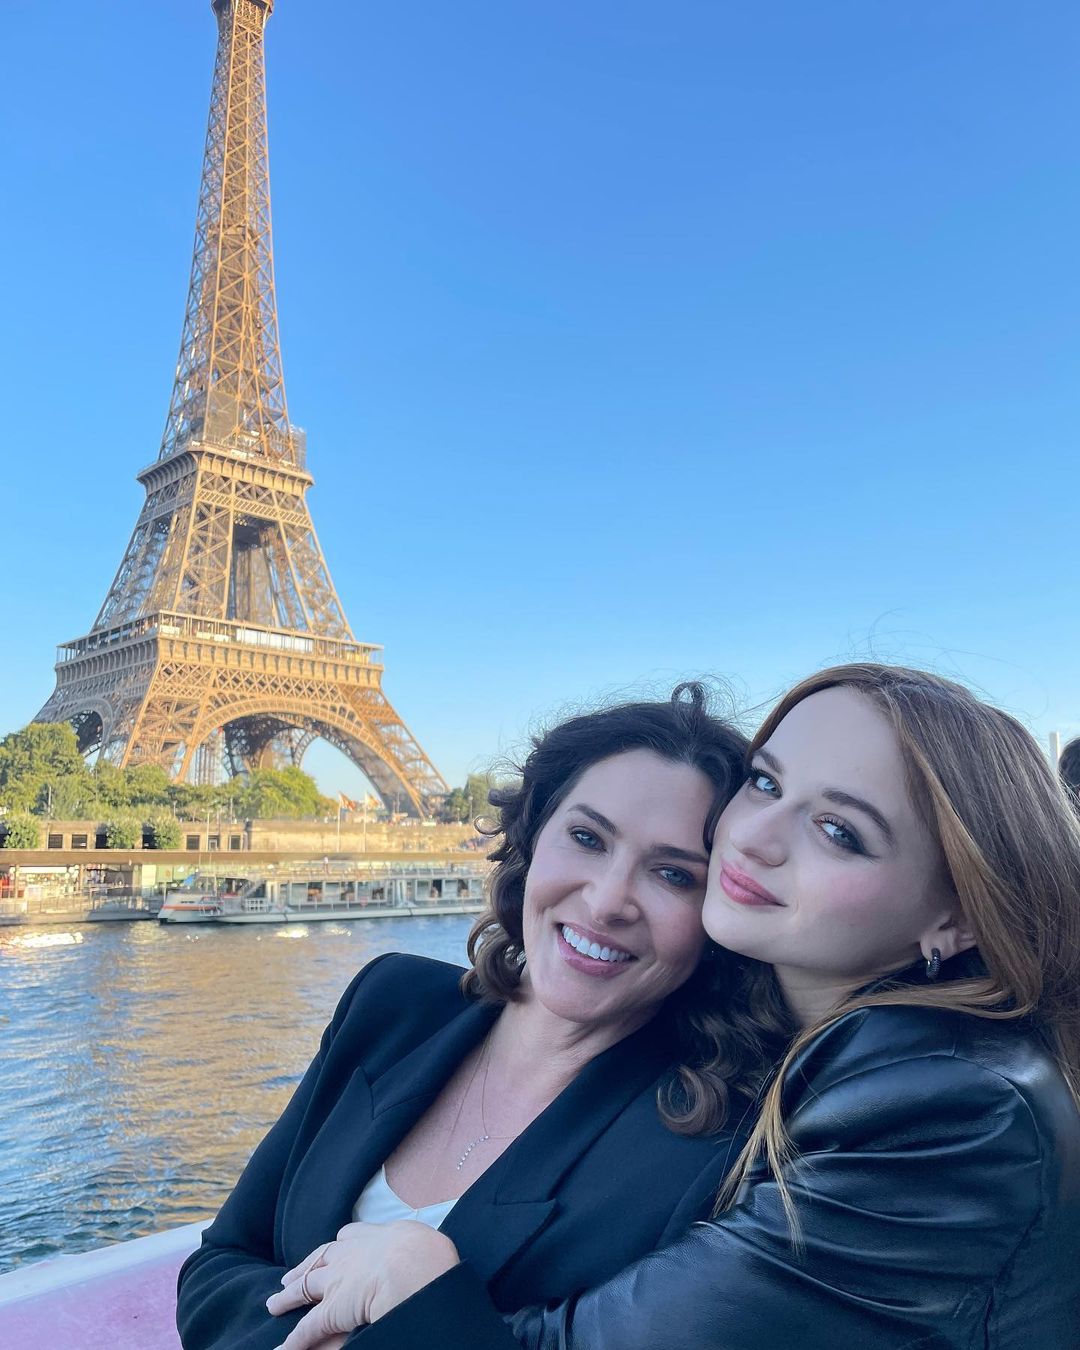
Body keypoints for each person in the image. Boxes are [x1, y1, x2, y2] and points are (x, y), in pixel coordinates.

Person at [276, 663, 1080, 1350]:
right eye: (765, 783)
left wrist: (411, 1281)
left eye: (839, 830)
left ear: (956, 917)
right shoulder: (853, 1062)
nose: (753, 837)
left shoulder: (949, 1106)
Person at [176, 685, 769, 1350]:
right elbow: (221, 1263)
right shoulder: (389, 1002)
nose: (607, 902)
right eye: (586, 838)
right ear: (532, 838)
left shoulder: (713, 1153)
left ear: (719, 916)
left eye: (674, 875)